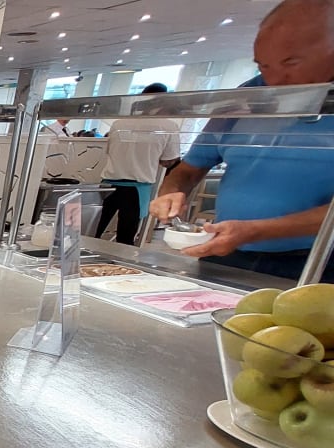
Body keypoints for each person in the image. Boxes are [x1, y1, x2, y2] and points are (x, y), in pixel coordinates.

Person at [149, 0, 334, 281]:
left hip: (316, 261)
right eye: (263, 65)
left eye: (291, 62)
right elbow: (188, 169)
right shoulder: (249, 95)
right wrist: (170, 192)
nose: (274, 78)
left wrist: (255, 230)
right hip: (226, 251)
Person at [96, 83, 182, 246]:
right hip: (136, 189)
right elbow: (169, 160)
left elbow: (109, 151)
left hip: (107, 185)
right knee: (125, 239)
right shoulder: (168, 126)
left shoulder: (119, 123)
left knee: (94, 231)